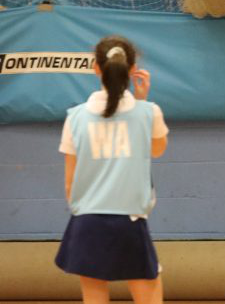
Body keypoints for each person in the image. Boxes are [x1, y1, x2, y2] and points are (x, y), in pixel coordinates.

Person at [55, 36, 168, 304]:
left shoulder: (75, 117)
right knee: (149, 295)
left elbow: (70, 183)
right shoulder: (149, 112)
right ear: (133, 69)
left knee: (94, 296)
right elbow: (157, 150)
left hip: (87, 220)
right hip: (129, 220)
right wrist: (143, 102)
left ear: (96, 67)